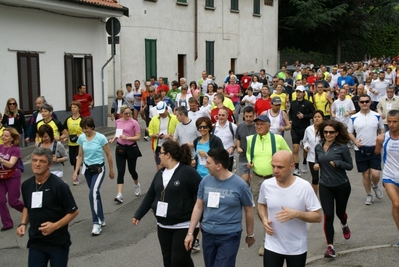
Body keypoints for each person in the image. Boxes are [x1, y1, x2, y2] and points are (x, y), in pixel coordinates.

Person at [133, 141, 202, 267]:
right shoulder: (160, 173)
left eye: (161, 153)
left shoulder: (188, 172)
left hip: (184, 224)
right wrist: (138, 214)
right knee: (168, 259)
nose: (158, 155)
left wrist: (201, 220)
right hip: (163, 225)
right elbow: (150, 195)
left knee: (179, 259)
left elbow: (201, 196)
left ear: (168, 155)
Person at [184, 148, 255, 267]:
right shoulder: (205, 181)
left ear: (218, 166)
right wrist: (190, 233)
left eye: (208, 162)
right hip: (208, 233)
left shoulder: (240, 185)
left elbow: (248, 210)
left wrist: (250, 234)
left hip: (229, 235)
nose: (205, 165)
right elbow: (198, 206)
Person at [16, 147, 79, 267]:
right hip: (36, 242)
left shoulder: (59, 186)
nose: (37, 164)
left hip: (57, 243)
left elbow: (74, 211)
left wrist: (54, 226)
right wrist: (23, 224)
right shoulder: (27, 185)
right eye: (34, 160)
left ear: (49, 165)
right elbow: (27, 206)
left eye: (42, 161)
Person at [258, 150, 322, 267]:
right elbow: (261, 204)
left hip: (296, 248)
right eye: (273, 166)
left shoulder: (304, 187)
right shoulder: (266, 185)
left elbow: (318, 216)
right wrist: (264, 219)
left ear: (291, 166)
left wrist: (297, 214)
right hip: (272, 246)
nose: (275, 170)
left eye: (280, 167)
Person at [246, 115, 291, 256]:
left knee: (276, 208)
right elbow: (248, 152)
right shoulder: (250, 139)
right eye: (256, 124)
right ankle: (270, 234)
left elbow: (288, 154)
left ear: (268, 126)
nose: (258, 126)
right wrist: (250, 161)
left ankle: (270, 240)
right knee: (261, 210)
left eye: (261, 124)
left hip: (275, 178)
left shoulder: (277, 139)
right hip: (258, 179)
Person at [314, 120, 353, 258]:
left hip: (341, 185)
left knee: (340, 213)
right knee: (328, 215)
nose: (328, 134)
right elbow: (319, 160)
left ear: (336, 133)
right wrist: (317, 165)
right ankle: (330, 247)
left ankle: (344, 223)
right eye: (326, 132)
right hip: (325, 185)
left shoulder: (342, 147)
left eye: (331, 132)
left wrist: (337, 163)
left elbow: (350, 166)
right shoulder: (318, 147)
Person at [72, 117, 114, 235]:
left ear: (92, 127)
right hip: (87, 169)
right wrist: (76, 171)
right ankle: (101, 218)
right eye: (83, 129)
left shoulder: (101, 138)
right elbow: (80, 156)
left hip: (99, 169)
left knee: (92, 194)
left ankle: (96, 222)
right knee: (95, 193)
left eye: (86, 128)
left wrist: (111, 170)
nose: (85, 131)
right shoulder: (81, 138)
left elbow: (108, 155)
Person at [348, 94, 384, 205]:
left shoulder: (377, 116)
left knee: (376, 174)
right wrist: (355, 141)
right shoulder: (354, 118)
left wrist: (380, 140)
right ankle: (368, 194)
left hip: (375, 148)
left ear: (370, 102)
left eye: (366, 101)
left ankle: (375, 185)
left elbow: (382, 130)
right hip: (360, 149)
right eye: (362, 102)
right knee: (366, 174)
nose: (364, 104)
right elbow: (349, 132)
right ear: (358, 103)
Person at [375, 109, 399, 246]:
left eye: (395, 122)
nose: (391, 124)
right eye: (389, 122)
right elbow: (377, 152)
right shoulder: (382, 138)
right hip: (389, 176)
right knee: (396, 204)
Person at [109, 105, 142, 203]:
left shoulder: (134, 122)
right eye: (126, 113)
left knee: (132, 170)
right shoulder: (118, 121)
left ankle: (137, 185)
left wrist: (127, 138)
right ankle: (119, 195)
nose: (128, 115)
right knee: (121, 171)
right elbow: (118, 132)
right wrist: (114, 138)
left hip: (131, 148)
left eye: (129, 113)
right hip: (120, 149)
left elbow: (138, 137)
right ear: (121, 114)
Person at [0, 127, 24, 231]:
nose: (3, 137)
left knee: (13, 202)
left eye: (6, 136)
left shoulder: (15, 149)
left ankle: (30, 212)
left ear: (12, 138)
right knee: (0, 200)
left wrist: (0, 160)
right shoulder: (0, 147)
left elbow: (10, 164)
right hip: (1, 177)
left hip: (13, 176)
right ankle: (7, 223)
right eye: (2, 135)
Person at [288, 86, 315, 175]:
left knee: (305, 148)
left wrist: (304, 116)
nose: (298, 93)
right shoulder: (293, 103)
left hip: (305, 129)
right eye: (297, 92)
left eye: (300, 92)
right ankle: (296, 168)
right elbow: (290, 113)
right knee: (295, 150)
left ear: (303, 93)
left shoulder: (308, 103)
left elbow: (313, 114)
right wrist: (290, 120)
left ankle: (304, 161)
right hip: (295, 129)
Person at [148, 101, 179, 170]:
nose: (161, 114)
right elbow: (150, 132)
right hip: (159, 146)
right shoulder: (154, 119)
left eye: (162, 112)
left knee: (171, 167)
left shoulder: (174, 118)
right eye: (160, 112)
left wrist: (169, 136)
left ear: (167, 109)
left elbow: (179, 132)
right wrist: (155, 135)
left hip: (171, 146)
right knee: (160, 167)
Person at [303, 110, 324, 195]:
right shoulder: (308, 129)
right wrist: (306, 146)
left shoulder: (326, 129)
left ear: (323, 118)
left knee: (324, 178)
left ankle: (325, 195)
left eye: (319, 117)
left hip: (323, 157)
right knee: (315, 178)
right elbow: (305, 140)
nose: (317, 119)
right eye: (315, 117)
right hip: (312, 157)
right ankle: (314, 197)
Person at [62, 101, 83, 185]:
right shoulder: (68, 119)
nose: (73, 109)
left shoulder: (82, 119)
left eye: (75, 107)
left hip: (79, 143)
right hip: (71, 142)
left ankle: (76, 177)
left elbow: (86, 130)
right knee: (72, 161)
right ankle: (79, 166)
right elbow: (65, 130)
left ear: (79, 108)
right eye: (72, 107)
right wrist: (65, 136)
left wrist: (80, 134)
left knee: (76, 159)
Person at [236, 106, 256, 185]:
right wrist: (238, 147)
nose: (248, 118)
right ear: (243, 115)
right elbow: (238, 138)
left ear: (254, 115)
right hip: (243, 157)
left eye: (250, 116)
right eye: (246, 116)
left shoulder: (257, 126)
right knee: (244, 181)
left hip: (254, 157)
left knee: (252, 179)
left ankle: (254, 196)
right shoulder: (240, 126)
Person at [213, 107, 237, 171]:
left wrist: (233, 147)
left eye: (223, 115)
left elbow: (238, 139)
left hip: (228, 156)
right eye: (219, 115)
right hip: (216, 157)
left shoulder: (233, 127)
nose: (221, 117)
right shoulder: (213, 127)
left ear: (227, 116)